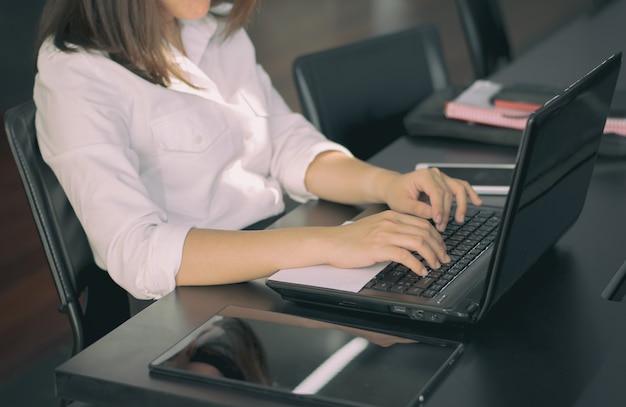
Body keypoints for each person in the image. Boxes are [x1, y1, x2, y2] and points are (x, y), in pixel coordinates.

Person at [33, 0, 482, 301]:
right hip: (185, 302)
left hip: (272, 260)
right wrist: (329, 243)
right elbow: (138, 251)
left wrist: (388, 184)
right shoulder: (76, 75)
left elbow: (284, 142)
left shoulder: (211, 26)